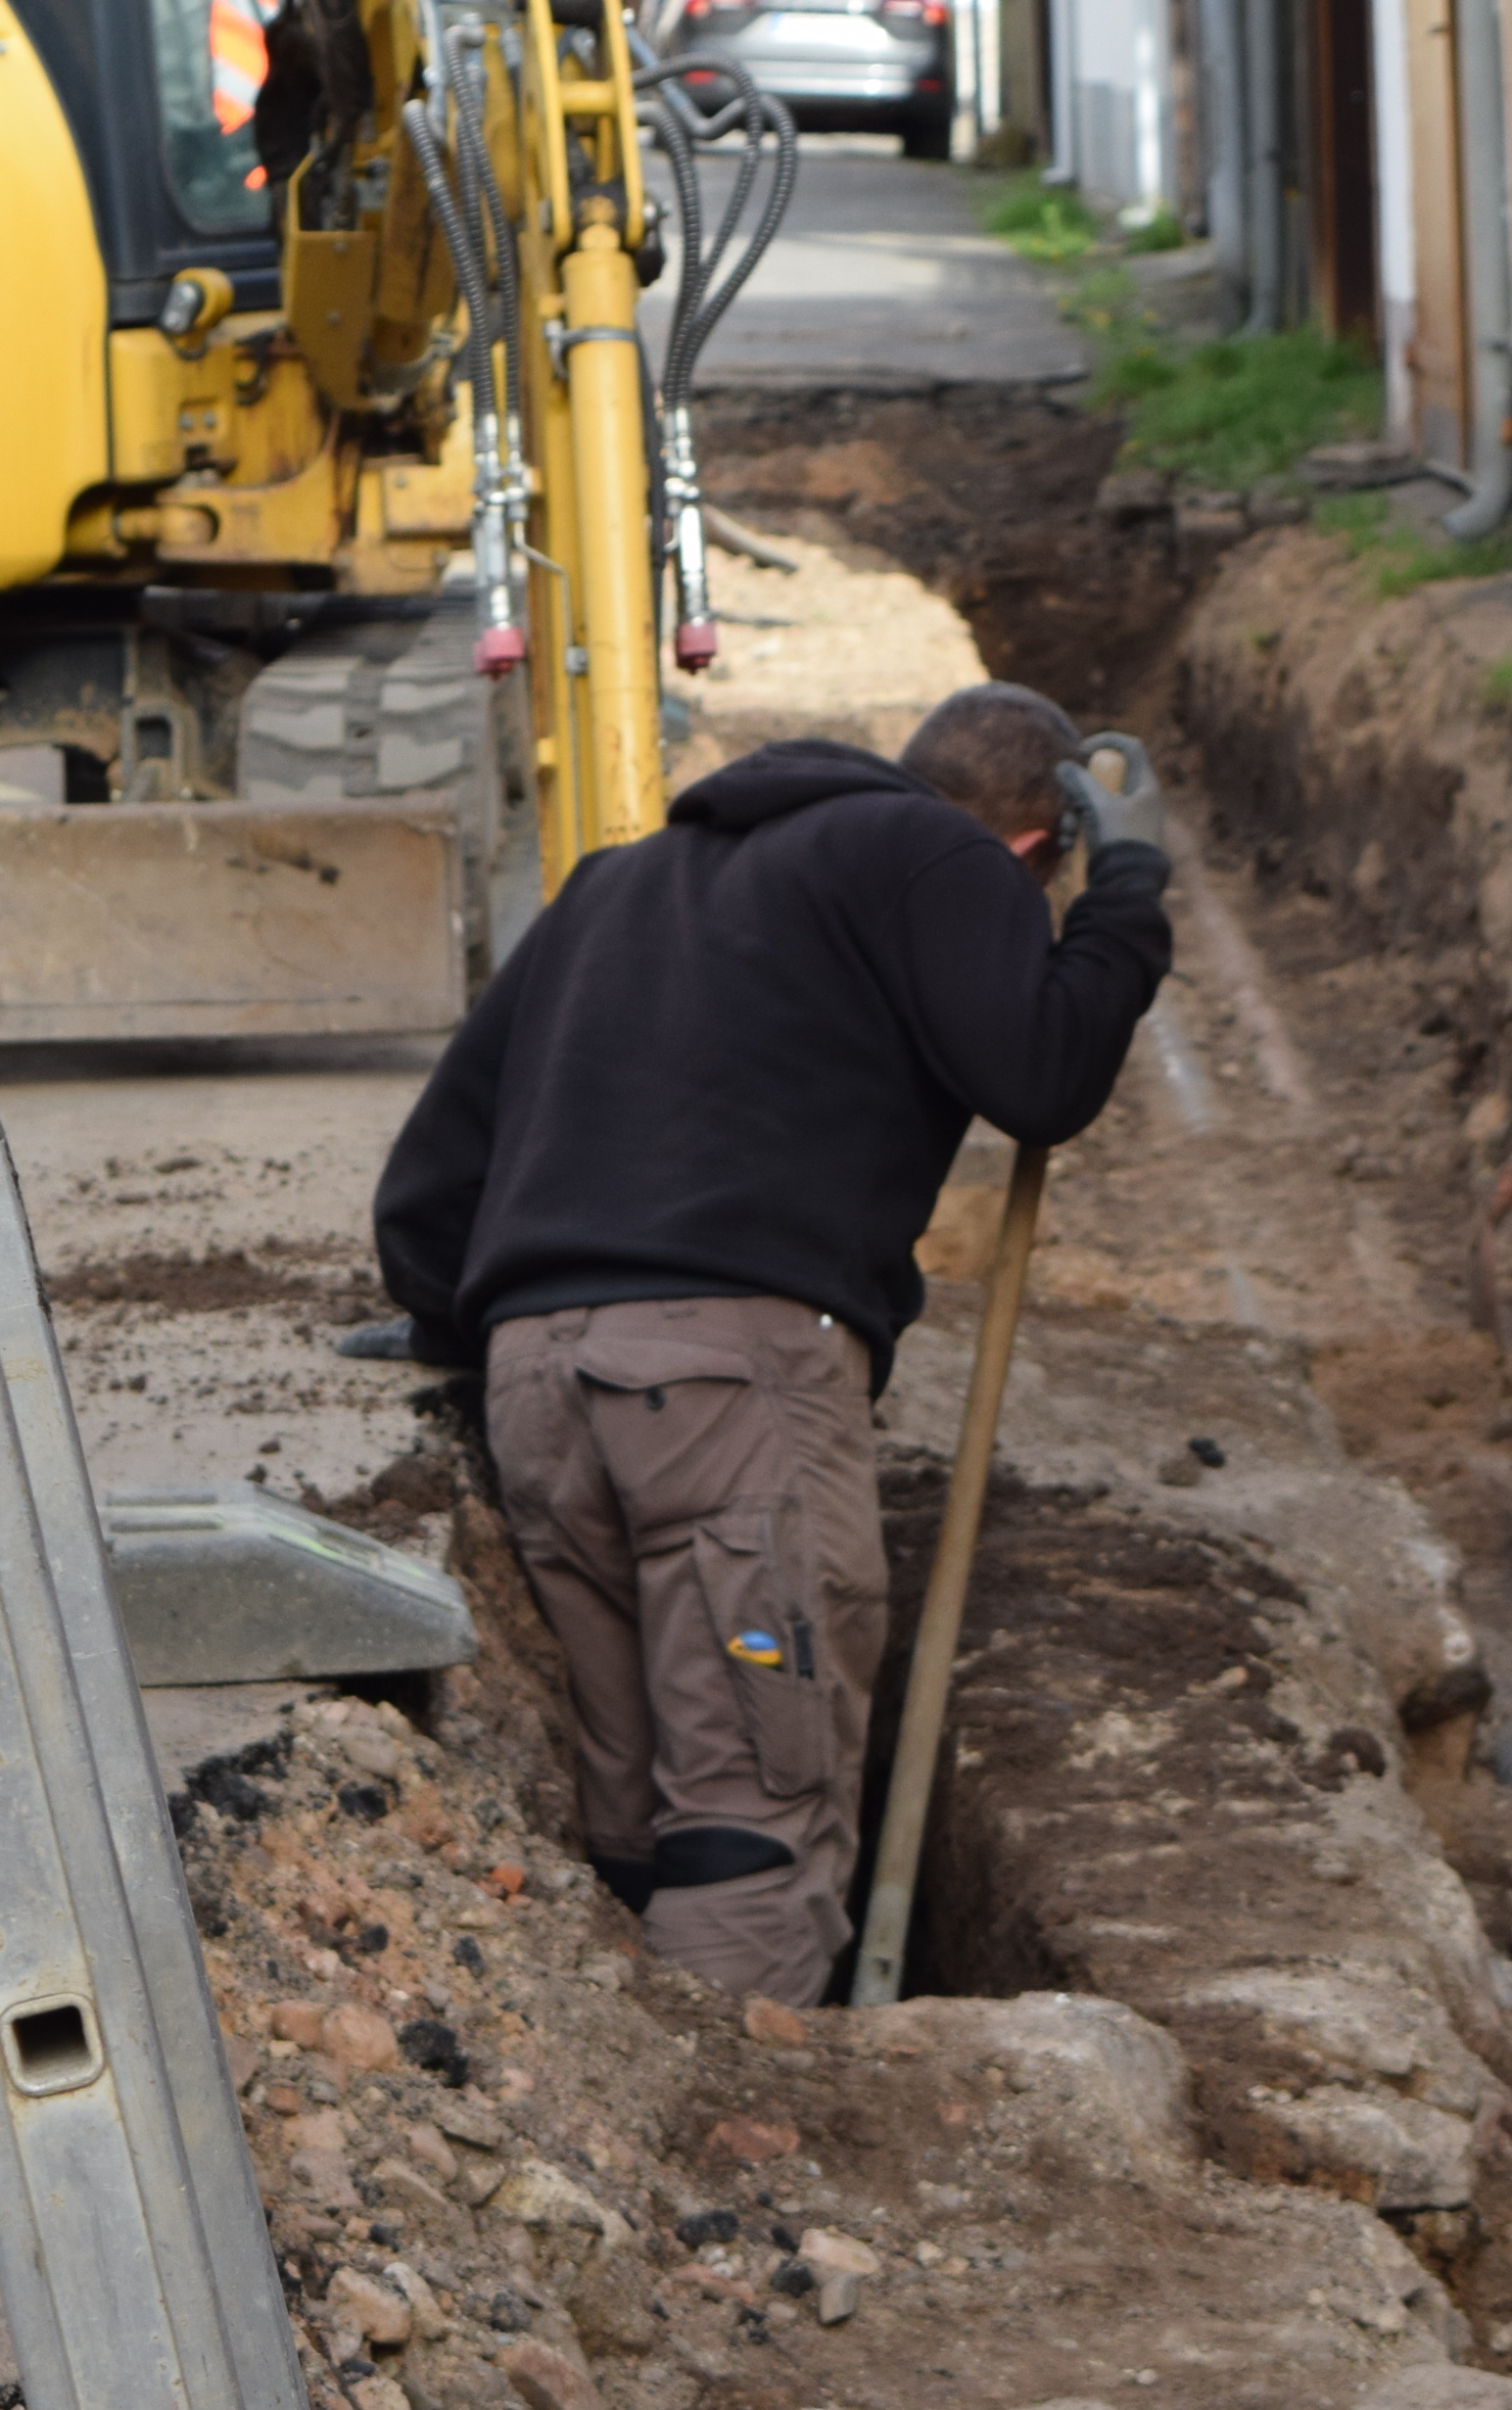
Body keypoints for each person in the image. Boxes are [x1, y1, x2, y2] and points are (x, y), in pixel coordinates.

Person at [372, 684, 1175, 2005]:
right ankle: (738, 2123)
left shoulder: (621, 881)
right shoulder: (943, 854)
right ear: (1040, 839)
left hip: (536, 1378)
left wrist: (452, 1315)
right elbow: (1041, 1072)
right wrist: (1127, 891)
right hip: (728, 1384)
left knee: (632, 1808)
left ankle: (628, 2103)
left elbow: (435, 1174)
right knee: (752, 1813)